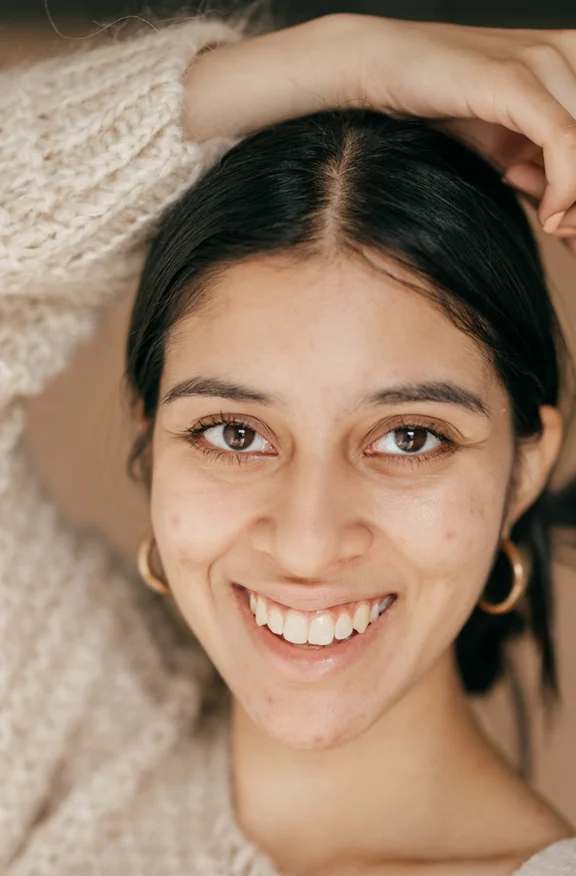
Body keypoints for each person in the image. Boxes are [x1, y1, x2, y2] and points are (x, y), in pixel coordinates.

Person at [2, 11, 576, 875]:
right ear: (152, 446)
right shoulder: (70, 730)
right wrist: (346, 61)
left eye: (409, 437)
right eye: (235, 433)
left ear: (524, 468)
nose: (308, 540)